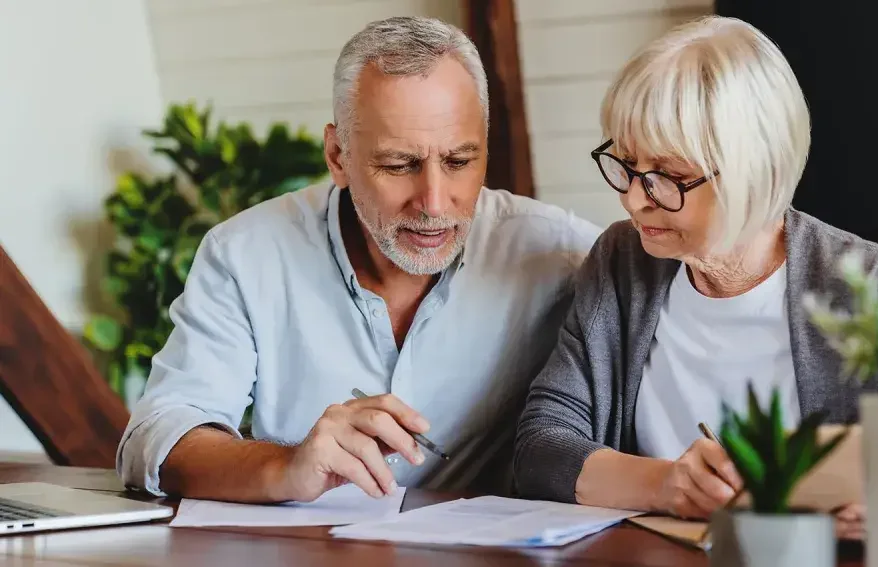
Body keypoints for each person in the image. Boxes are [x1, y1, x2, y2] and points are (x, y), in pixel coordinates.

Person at [513, 15, 878, 521]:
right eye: (628, 165)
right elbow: (541, 447)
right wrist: (666, 484)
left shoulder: (872, 285)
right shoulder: (620, 261)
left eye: (668, 176)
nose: (634, 199)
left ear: (753, 172)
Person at [117, 16, 600, 503]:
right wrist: (287, 467)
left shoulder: (560, 254)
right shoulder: (245, 254)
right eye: (398, 164)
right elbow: (156, 437)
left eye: (459, 162)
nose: (434, 203)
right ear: (337, 156)